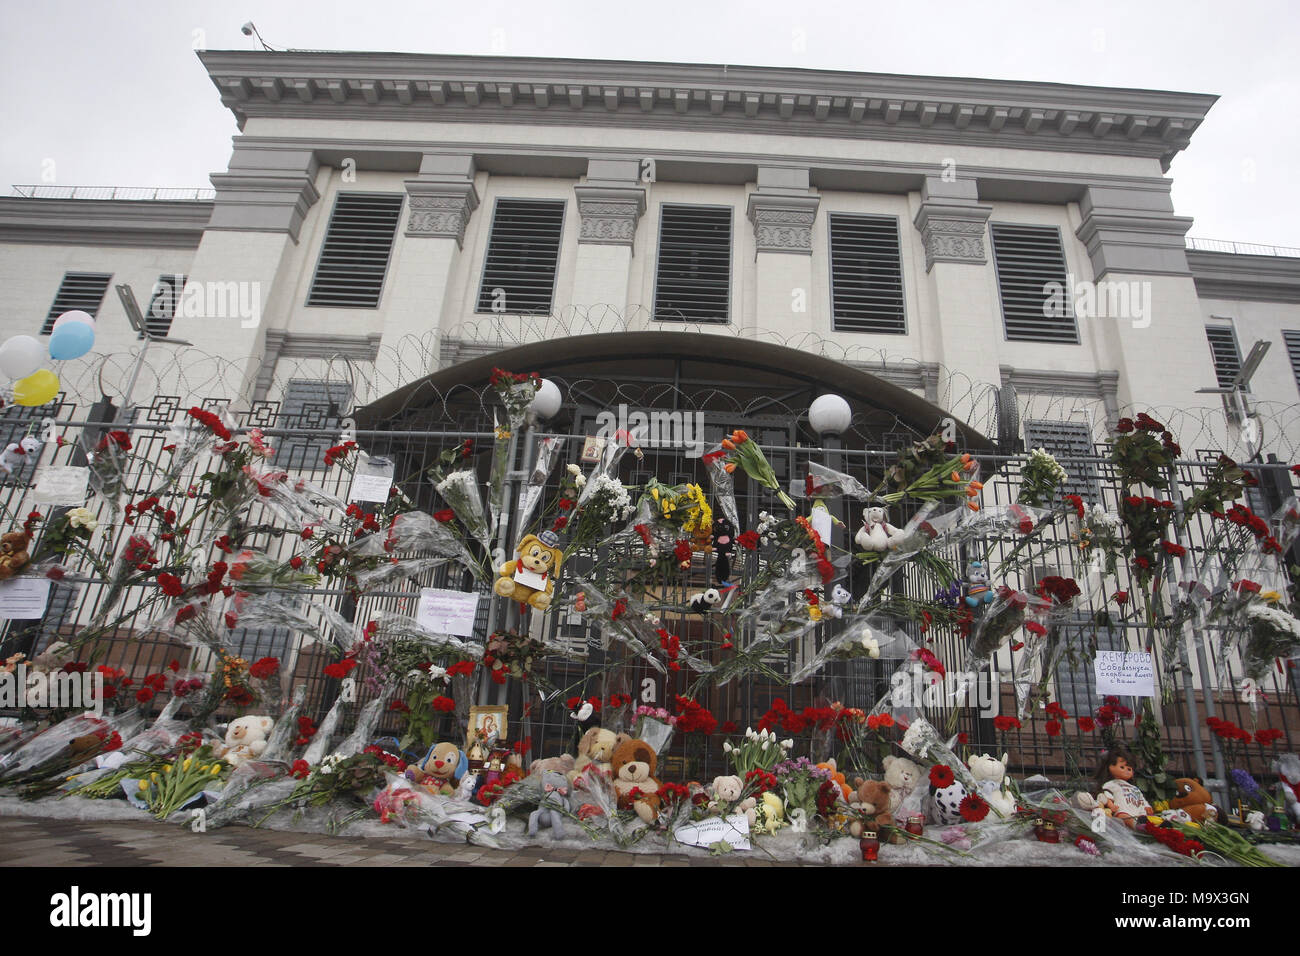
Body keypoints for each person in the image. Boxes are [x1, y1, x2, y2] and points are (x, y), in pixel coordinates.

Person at [1091, 746, 1152, 827]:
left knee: (1150, 818)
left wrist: (1147, 806)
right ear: (1110, 767)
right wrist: (1111, 805)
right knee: (1123, 817)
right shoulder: (1111, 784)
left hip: (1139, 812)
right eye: (1122, 767)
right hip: (1123, 811)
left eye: (1129, 769)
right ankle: (1136, 825)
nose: (1126, 771)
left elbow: (1141, 798)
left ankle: (1154, 826)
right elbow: (1106, 796)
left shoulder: (1134, 787)